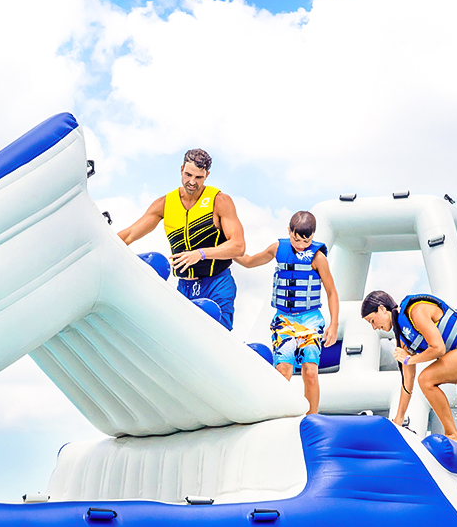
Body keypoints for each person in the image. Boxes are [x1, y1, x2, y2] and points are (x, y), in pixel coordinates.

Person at [361, 290, 457, 490]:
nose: (374, 327)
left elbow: (438, 348)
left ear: (382, 309)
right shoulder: (404, 339)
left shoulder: (415, 311)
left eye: (372, 320)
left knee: (426, 379)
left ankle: (452, 434)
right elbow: (407, 382)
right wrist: (398, 419)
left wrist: (410, 359)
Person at [117, 149, 245, 331]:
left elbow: (238, 245)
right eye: (188, 175)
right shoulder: (165, 203)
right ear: (181, 169)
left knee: (216, 336)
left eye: (199, 177)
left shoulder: (219, 201)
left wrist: (200, 254)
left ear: (207, 175)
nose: (192, 182)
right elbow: (129, 234)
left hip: (217, 284)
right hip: (185, 286)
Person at [234, 211, 339, 414]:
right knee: (283, 370)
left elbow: (331, 292)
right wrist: (226, 251)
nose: (301, 245)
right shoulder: (277, 249)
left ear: (313, 235)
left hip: (310, 320)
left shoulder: (318, 258)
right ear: (289, 231)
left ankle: (311, 417)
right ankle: (279, 415)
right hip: (284, 319)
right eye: (296, 239)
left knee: (310, 371)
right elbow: (249, 261)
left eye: (306, 241)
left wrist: (334, 324)